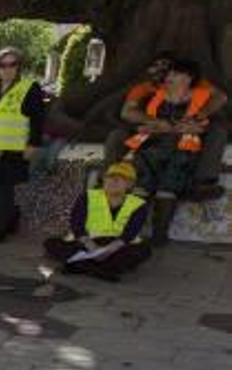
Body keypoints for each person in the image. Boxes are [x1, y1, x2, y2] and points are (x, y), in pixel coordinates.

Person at [107, 52, 227, 201]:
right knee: (116, 135)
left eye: (165, 67)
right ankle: (110, 180)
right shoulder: (143, 88)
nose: (159, 70)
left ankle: (202, 184)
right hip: (151, 128)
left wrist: (198, 116)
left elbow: (220, 97)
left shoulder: (194, 84)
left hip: (188, 128)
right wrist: (154, 121)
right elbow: (127, 112)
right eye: (155, 66)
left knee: (217, 133)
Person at [126, 59, 213, 245]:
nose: (169, 77)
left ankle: (159, 236)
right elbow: (140, 123)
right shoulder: (156, 96)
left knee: (167, 188)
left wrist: (191, 126)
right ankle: (129, 234)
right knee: (141, 186)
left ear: (188, 78)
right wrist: (154, 126)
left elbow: (203, 127)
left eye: (175, 74)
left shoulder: (201, 97)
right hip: (151, 148)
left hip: (182, 149)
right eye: (169, 74)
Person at [0, 47, 46, 243]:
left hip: (13, 148)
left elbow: (38, 119)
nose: (7, 69)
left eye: (12, 64)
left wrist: (33, 144)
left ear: (19, 67)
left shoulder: (29, 87)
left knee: (3, 191)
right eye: (2, 65)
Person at [45, 162, 152, 282]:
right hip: (88, 241)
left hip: (117, 244)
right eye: (110, 177)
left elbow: (131, 232)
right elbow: (77, 224)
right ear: (104, 179)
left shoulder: (138, 204)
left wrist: (109, 249)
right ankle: (102, 269)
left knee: (143, 250)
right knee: (52, 243)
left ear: (130, 185)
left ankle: (81, 266)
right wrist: (91, 246)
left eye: (121, 179)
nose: (114, 181)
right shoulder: (87, 196)